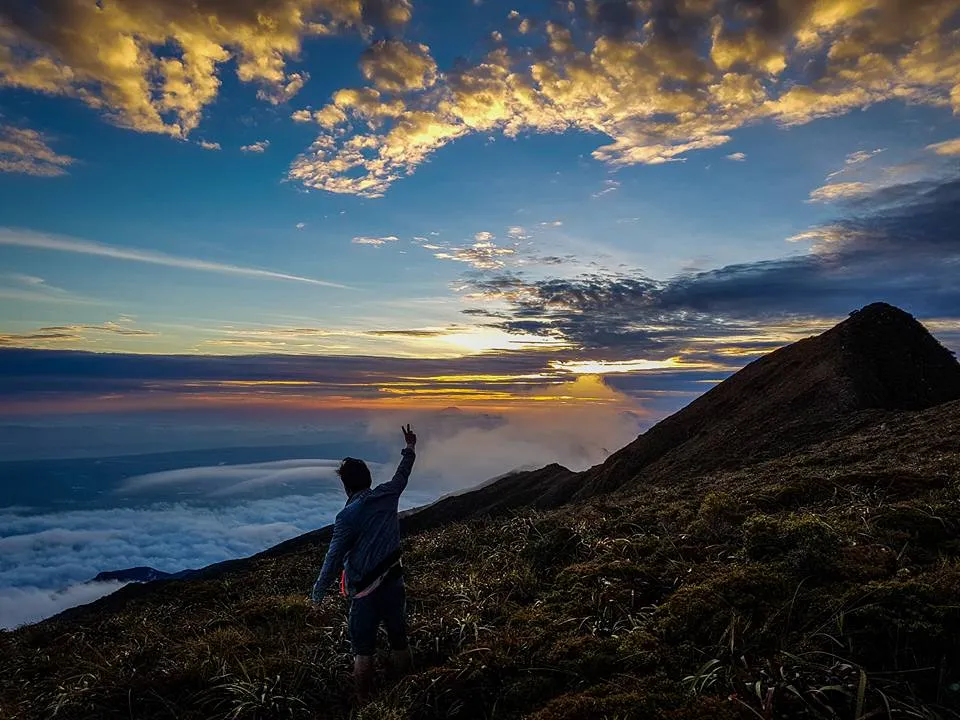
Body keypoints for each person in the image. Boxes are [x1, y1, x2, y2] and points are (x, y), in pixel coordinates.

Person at [311, 424, 417, 699]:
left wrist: (319, 591)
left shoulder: (347, 517)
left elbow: (333, 557)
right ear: (368, 478)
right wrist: (409, 447)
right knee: (399, 639)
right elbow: (402, 475)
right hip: (395, 582)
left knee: (362, 650)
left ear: (346, 485)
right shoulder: (387, 495)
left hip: (364, 593)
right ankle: (407, 691)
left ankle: (363, 703)